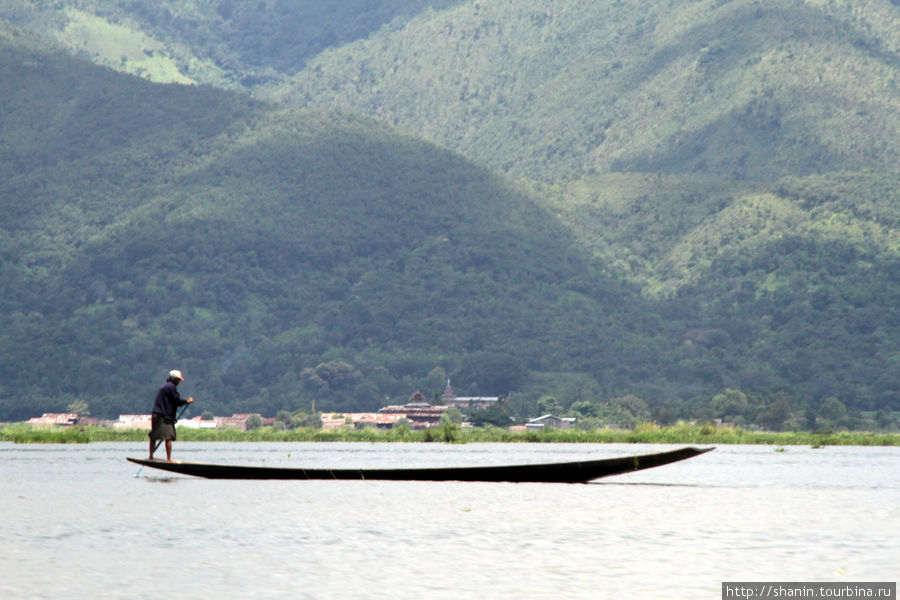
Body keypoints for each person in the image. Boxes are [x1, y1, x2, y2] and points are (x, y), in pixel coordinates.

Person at [149, 369, 194, 461]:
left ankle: (151, 457)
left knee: (154, 436)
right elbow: (177, 401)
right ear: (173, 379)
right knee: (168, 437)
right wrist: (187, 401)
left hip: (157, 414)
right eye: (178, 380)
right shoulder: (171, 387)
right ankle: (169, 459)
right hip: (163, 416)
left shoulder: (164, 386)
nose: (179, 382)